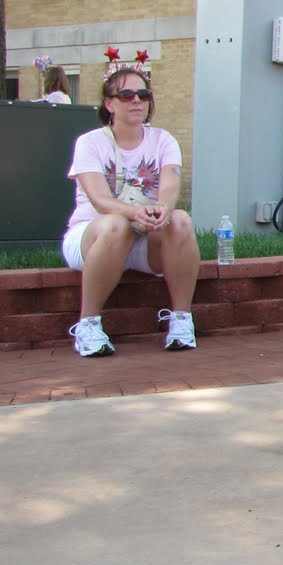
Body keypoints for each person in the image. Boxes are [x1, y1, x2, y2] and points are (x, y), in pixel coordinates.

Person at [62, 64, 201, 357]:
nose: (136, 100)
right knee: (116, 224)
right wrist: (132, 213)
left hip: (143, 240)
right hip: (93, 237)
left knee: (180, 221)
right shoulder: (90, 143)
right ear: (109, 103)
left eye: (143, 93)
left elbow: (169, 188)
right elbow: (99, 199)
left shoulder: (164, 140)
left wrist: (162, 209)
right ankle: (87, 325)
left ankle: (181, 321)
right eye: (126, 95)